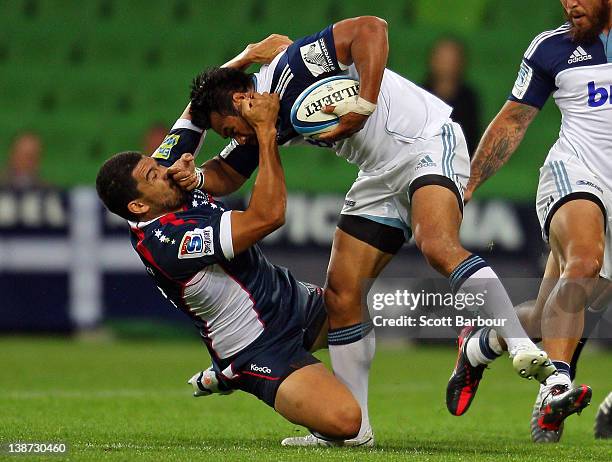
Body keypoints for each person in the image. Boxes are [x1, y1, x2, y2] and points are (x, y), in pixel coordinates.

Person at [182, 15, 555, 446]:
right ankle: (353, 433)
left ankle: (522, 345)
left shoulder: (294, 66)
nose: (237, 139)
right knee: (341, 295)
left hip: (426, 141)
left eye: (231, 130)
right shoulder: (261, 121)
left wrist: (365, 100)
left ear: (244, 98)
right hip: (378, 173)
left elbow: (371, 29)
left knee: (436, 244)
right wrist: (196, 180)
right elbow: (227, 173)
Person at [95, 91, 364, 444]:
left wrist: (248, 55)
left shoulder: (160, 183)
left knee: (361, 309)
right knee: (345, 421)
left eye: (158, 163)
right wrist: (266, 131)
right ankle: (232, 373)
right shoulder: (169, 243)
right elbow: (268, 216)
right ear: (137, 206)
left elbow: (198, 104)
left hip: (289, 299)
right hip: (256, 346)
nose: (168, 169)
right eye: (155, 173)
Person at [456, 0, 611, 443]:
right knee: (583, 261)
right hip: (576, 173)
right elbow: (513, 121)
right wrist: (466, 186)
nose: (570, 4)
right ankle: (555, 389)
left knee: (545, 320)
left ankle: (480, 345)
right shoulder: (552, 47)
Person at [422, 37, 481, 153]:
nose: (447, 65)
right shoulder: (419, 96)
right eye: (443, 59)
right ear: (432, 60)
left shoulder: (469, 99)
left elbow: (472, 141)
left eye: (452, 59)